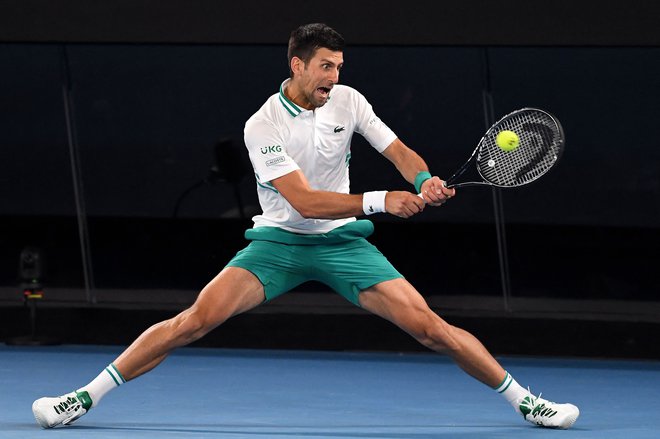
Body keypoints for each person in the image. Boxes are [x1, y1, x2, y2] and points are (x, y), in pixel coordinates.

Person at [32, 23, 579, 430]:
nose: (334, 77)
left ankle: (524, 402)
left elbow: (398, 150)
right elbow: (304, 203)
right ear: (296, 64)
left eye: (339, 66)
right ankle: (82, 398)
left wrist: (424, 180)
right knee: (193, 321)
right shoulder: (262, 125)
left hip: (342, 245)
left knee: (430, 328)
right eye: (325, 67)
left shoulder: (349, 100)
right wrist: (383, 203)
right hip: (279, 244)